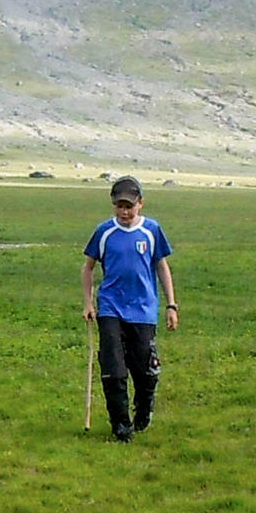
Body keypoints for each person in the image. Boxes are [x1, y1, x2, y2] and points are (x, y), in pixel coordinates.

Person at [81, 176, 179, 443]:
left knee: (145, 370)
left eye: (129, 206)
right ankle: (121, 425)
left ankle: (143, 410)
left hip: (143, 310)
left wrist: (171, 305)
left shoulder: (152, 230)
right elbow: (88, 268)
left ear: (141, 204)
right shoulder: (104, 232)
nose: (124, 212)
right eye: (119, 206)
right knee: (113, 368)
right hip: (111, 306)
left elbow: (161, 267)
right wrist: (89, 303)